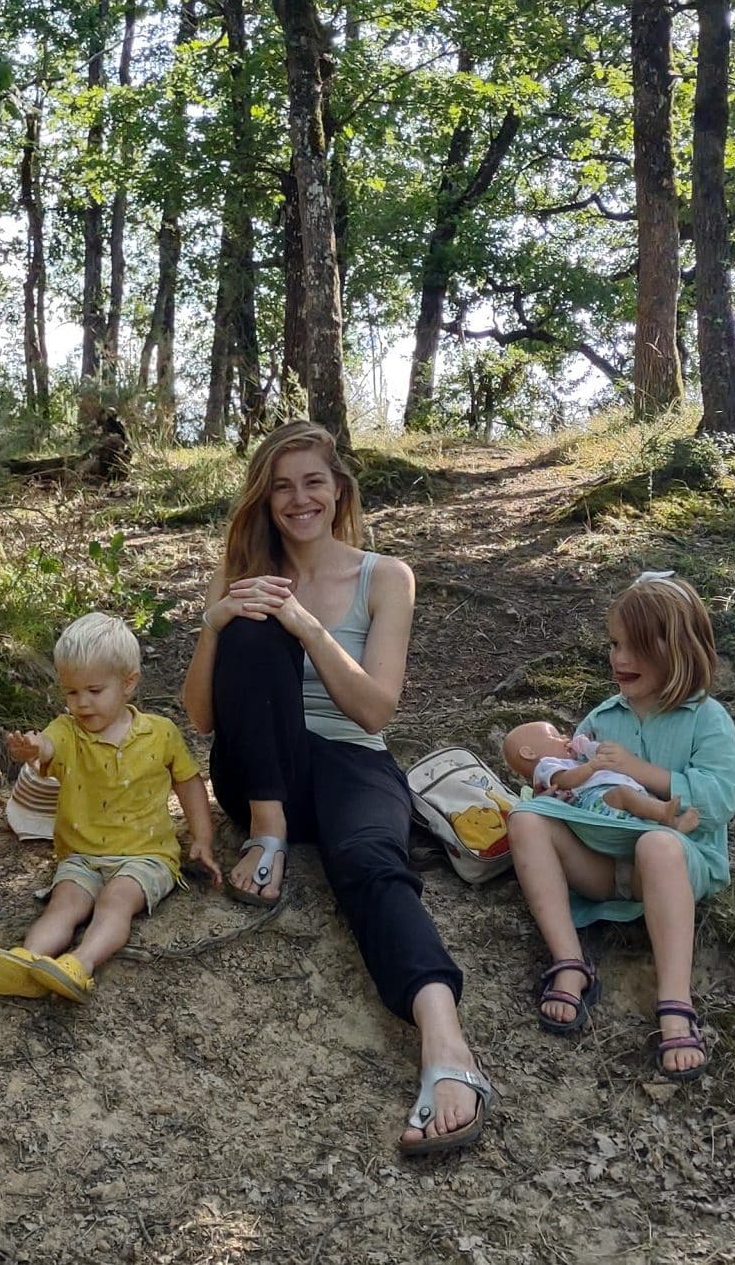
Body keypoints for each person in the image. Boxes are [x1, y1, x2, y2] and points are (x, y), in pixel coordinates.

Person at [180, 420, 495, 1156]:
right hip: (265, 770)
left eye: (313, 482)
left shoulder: (385, 577)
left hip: (355, 761)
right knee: (253, 631)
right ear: (264, 498)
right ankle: (269, 832)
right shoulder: (240, 571)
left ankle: (446, 1046)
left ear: (339, 488)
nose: (298, 499)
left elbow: (377, 709)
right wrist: (218, 622)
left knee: (371, 863)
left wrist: (308, 628)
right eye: (281, 486)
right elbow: (199, 716)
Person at [504, 572, 735, 1081]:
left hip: (673, 867)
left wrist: (642, 771)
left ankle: (675, 1004)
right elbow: (577, 784)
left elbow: (719, 802)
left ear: (679, 650)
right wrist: (561, 788)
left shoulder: (708, 718)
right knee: (526, 818)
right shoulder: (601, 718)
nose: (619, 659)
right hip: (602, 864)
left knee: (658, 843)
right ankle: (570, 962)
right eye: (614, 644)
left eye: (635, 647)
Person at [0, 613, 219, 1002]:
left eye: (94, 690)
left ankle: (81, 963)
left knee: (116, 900)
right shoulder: (67, 730)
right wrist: (31, 748)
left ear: (128, 683)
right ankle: (27, 960)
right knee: (65, 903)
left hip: (146, 855)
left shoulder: (160, 733)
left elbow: (189, 782)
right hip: (82, 854)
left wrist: (203, 837)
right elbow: (47, 745)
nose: (82, 703)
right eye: (71, 692)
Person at [503, 720, 700, 832]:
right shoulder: (546, 766)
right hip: (594, 802)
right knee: (624, 794)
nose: (564, 738)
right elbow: (566, 781)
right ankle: (665, 813)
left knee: (639, 799)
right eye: (555, 736)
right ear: (528, 753)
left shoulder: (567, 762)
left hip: (606, 799)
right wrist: (592, 766)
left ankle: (671, 824)